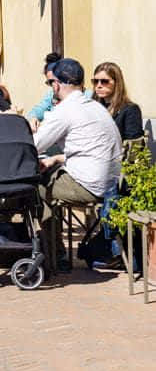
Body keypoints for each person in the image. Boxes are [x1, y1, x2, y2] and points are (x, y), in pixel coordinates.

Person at [34, 58, 123, 265]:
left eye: (50, 83)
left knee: (35, 187)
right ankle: (54, 248)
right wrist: (55, 160)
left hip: (89, 185)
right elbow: (88, 150)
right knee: (48, 175)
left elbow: (34, 145)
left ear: (56, 84)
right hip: (111, 184)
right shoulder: (95, 106)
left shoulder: (65, 110)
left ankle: (55, 254)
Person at [91, 61, 144, 140]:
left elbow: (134, 145)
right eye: (95, 81)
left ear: (117, 83)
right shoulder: (92, 107)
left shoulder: (130, 110)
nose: (99, 85)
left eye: (104, 81)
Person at [24, 53, 65, 130]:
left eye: (52, 82)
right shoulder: (52, 95)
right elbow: (38, 110)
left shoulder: (86, 97)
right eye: (49, 83)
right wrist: (32, 118)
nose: (53, 86)